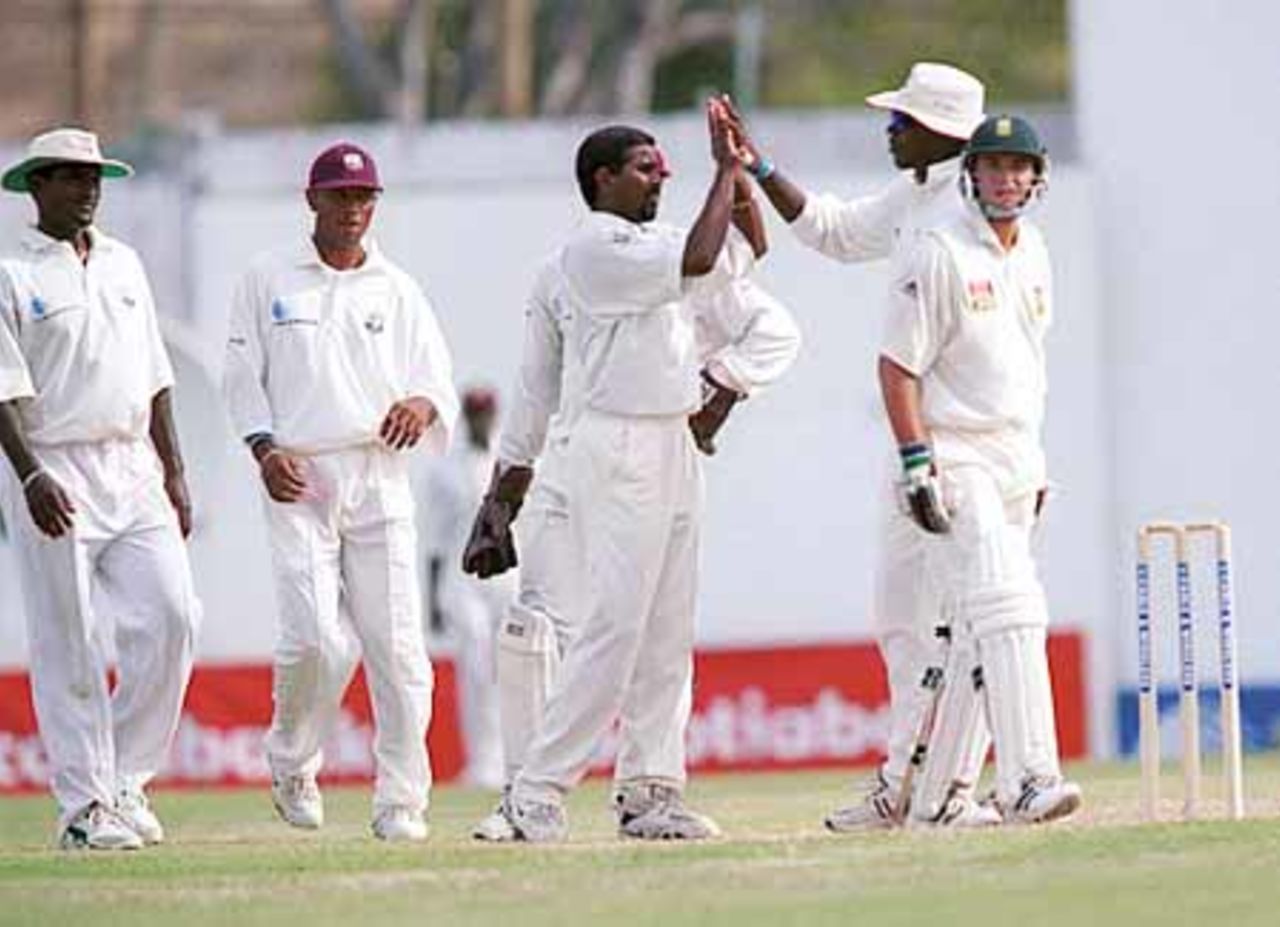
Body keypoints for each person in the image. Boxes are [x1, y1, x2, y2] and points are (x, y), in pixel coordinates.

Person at [465, 121, 800, 843]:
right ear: (601, 181)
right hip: (612, 444)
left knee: (666, 631)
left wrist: (740, 168)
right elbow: (535, 388)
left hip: (670, 439)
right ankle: (535, 789)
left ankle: (651, 789)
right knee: (614, 626)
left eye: (664, 169)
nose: (660, 179)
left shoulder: (661, 248)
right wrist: (502, 497)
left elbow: (749, 247)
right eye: (646, 169)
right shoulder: (594, 250)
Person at [724, 62, 1001, 828]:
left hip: (959, 449)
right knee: (904, 621)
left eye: (902, 120)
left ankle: (952, 789)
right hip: (914, 442)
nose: (889, 130)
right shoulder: (916, 195)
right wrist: (760, 166)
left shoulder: (969, 212)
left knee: (960, 623)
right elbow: (836, 231)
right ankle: (904, 786)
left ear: (942, 131)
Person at [222, 141, 459, 842]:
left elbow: (435, 380)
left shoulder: (397, 287)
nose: (354, 210)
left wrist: (420, 406)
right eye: (340, 196)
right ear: (312, 200)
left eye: (365, 198)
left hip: (378, 472)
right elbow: (240, 376)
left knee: (400, 650)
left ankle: (401, 799)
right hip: (298, 472)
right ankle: (293, 760)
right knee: (318, 641)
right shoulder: (267, 277)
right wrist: (262, 447)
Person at [0, 127, 201, 850]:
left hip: (132, 464)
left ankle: (122, 779)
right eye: (72, 177)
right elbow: (2, 390)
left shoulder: (124, 263)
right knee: (71, 637)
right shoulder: (11, 269)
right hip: (53, 463)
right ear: (37, 185)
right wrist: (30, 474)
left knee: (175, 614)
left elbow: (155, 374)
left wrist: (174, 469)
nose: (88, 189)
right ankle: (84, 809)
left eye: (96, 177)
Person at [879, 114, 1081, 824]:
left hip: (1016, 457)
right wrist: (917, 465)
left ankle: (939, 798)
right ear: (970, 173)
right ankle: (1029, 778)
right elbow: (898, 367)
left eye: (1017, 167)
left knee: (976, 624)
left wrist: (1034, 458)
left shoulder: (1037, 253)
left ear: (1037, 176)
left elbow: (1027, 361)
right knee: (1013, 606)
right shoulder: (939, 250)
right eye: (991, 165)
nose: (1004, 178)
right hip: (954, 451)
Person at [422, 386, 512, 790]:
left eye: (485, 413)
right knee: (475, 666)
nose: (480, 421)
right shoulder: (444, 468)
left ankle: (514, 760)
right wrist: (432, 601)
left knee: (510, 668)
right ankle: (481, 762)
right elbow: (436, 539)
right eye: (473, 414)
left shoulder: (510, 457)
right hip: (462, 581)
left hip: (506, 577)